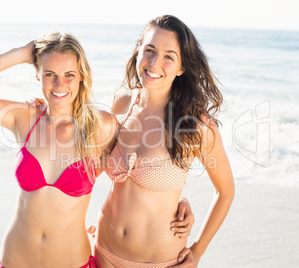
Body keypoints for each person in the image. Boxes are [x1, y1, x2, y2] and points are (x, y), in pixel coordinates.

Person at [0, 31, 194, 268]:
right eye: (50, 73)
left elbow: (139, 168)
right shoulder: (22, 118)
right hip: (15, 259)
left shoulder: (102, 127)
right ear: (37, 74)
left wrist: (178, 201)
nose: (59, 84)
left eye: (69, 75)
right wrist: (20, 54)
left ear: (81, 75)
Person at [94, 15, 235, 267]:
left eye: (169, 56)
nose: (155, 62)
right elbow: (95, 166)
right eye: (149, 50)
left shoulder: (195, 125)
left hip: (160, 262)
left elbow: (225, 191)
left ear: (182, 67)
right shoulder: (123, 101)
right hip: (102, 252)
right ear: (138, 52)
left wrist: (198, 250)